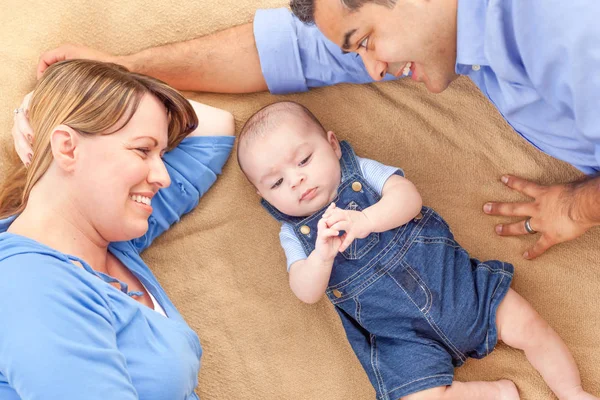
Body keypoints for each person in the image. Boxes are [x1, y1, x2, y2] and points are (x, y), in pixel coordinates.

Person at [32, 0, 600, 260]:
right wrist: (125, 71)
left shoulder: (560, 22)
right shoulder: (438, 27)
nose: (373, 68)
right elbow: (286, 51)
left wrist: (577, 209)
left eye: (365, 40)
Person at [235, 101, 597, 400]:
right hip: (402, 338)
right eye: (277, 182)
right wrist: (322, 256)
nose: (297, 180)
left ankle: (571, 391)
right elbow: (305, 290)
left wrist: (366, 221)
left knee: (531, 327)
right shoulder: (294, 235)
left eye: (303, 161)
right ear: (263, 196)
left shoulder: (361, 171)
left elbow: (408, 199)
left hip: (458, 291)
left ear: (332, 145)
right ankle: (495, 394)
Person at [0, 59, 235, 399]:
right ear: (67, 147)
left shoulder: (112, 239)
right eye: (143, 150)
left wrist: (36, 106)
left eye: (163, 155)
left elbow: (215, 129)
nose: (163, 176)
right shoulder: (29, 283)